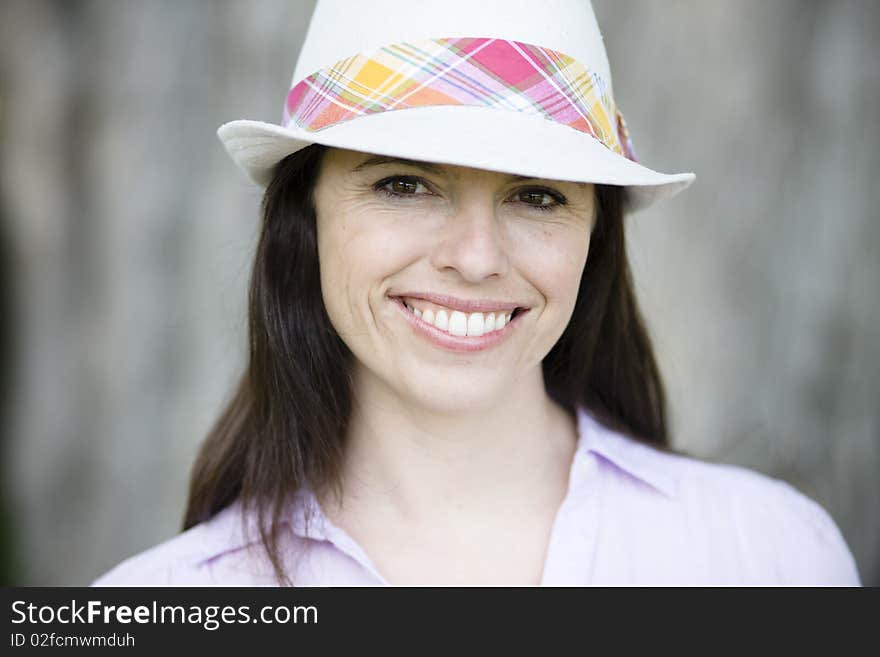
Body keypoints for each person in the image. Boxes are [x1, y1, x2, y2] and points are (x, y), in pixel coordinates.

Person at [92, 0, 861, 586]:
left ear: (596, 236)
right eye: (403, 183)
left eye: (536, 195)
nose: (475, 257)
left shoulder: (771, 555)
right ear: (305, 218)